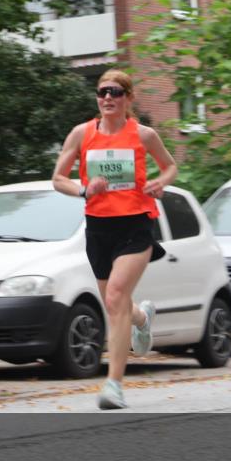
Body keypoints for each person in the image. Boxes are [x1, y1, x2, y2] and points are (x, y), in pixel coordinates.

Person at [51, 69, 178, 410]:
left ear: (128, 99)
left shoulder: (144, 134)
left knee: (116, 297)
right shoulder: (81, 134)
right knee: (116, 302)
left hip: (136, 225)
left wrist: (159, 182)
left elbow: (169, 166)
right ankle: (141, 318)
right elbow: (57, 179)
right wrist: (83, 189)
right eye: (102, 92)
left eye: (115, 92)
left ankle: (114, 385)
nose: (107, 97)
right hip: (98, 228)